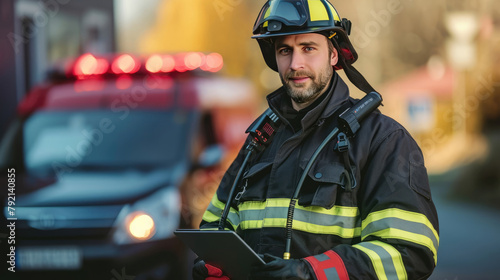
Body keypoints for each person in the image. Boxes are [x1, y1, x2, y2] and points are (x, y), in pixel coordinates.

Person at [193, 0, 439, 279]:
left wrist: (313, 273)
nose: (295, 64)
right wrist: (214, 262)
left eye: (308, 48)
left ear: (334, 55)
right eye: (285, 50)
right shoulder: (259, 141)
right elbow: (216, 224)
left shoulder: (383, 140)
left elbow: (410, 251)